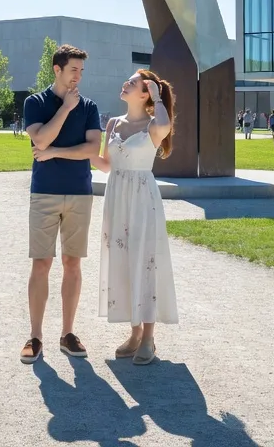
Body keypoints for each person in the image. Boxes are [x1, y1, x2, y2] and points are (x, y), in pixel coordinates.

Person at [91, 69, 179, 365]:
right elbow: (104, 164)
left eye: (131, 82)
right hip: (116, 196)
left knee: (145, 262)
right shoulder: (113, 123)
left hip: (143, 198)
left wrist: (158, 96)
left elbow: (166, 125)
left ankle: (149, 337)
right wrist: (83, 147)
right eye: (126, 80)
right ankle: (134, 331)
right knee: (123, 261)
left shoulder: (155, 125)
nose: (124, 83)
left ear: (144, 93)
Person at [21, 44, 101, 364]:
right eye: (73, 70)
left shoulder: (90, 106)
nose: (78, 77)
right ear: (57, 69)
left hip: (80, 192)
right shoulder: (35, 102)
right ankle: (35, 336)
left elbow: (92, 150)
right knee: (41, 263)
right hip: (44, 193)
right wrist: (66, 109)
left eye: (81, 71)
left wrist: (55, 152)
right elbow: (39, 139)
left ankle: (68, 334)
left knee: (73, 263)